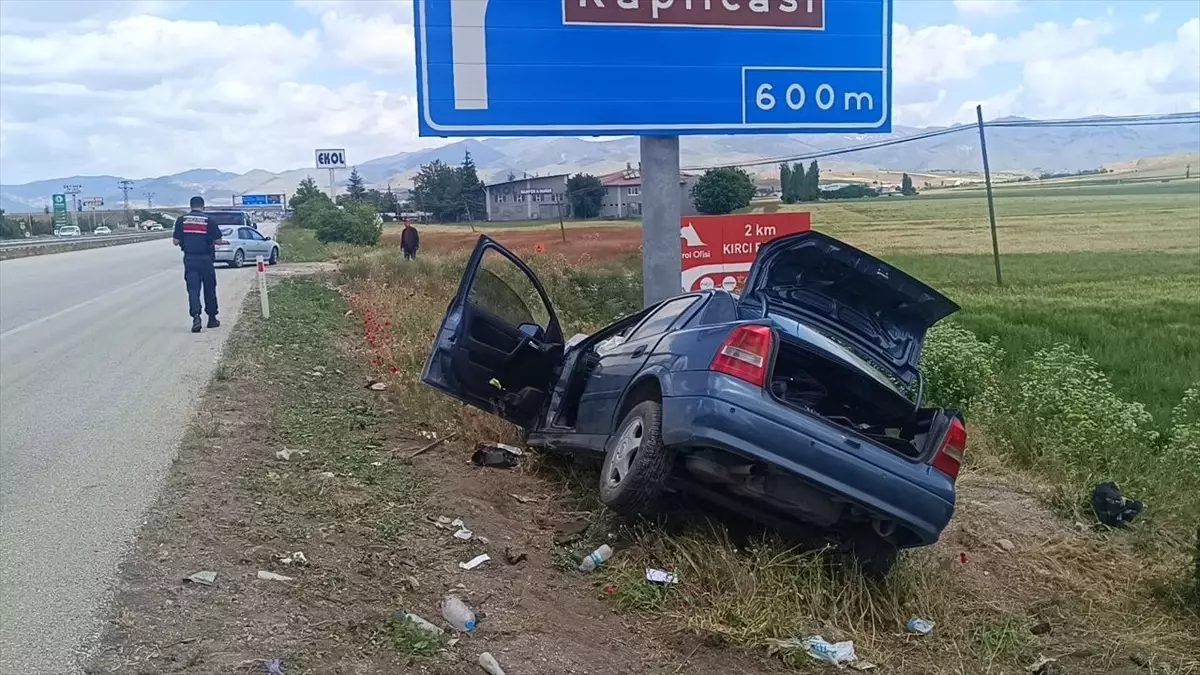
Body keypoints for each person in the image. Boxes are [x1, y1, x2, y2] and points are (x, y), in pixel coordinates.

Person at [173, 196, 222, 333]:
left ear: (190, 206)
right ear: (203, 206)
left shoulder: (181, 220)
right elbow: (218, 240)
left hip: (190, 259)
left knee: (193, 289)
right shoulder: (209, 220)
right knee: (209, 288)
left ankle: (196, 317)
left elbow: (175, 241)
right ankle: (212, 318)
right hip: (206, 259)